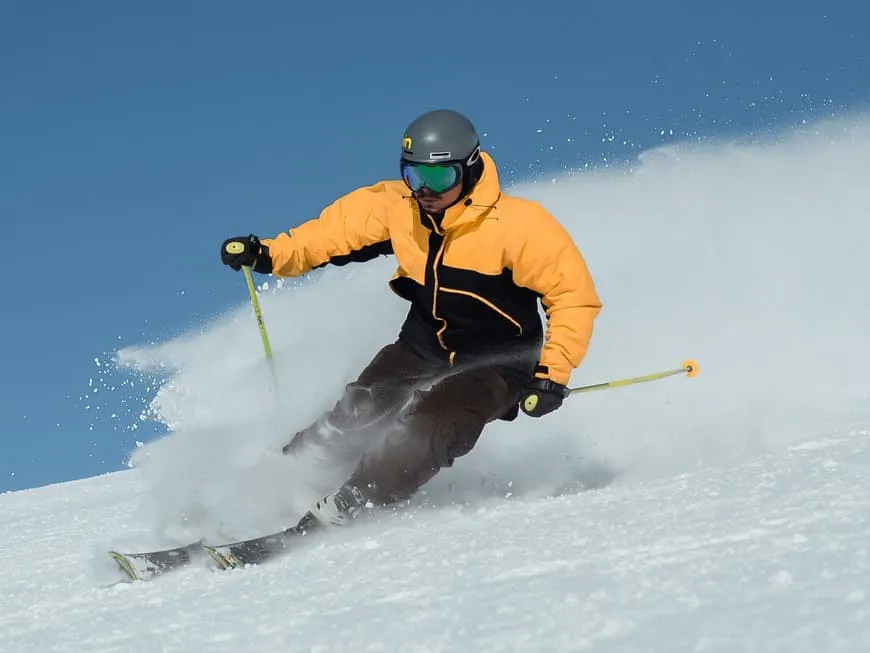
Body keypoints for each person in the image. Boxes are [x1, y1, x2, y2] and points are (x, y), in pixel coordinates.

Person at [220, 109, 602, 531]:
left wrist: (552, 374)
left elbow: (573, 297)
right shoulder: (399, 208)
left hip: (500, 363)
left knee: (430, 422)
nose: (424, 190)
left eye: (438, 179)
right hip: (424, 346)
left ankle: (354, 501)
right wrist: (270, 254)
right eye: (413, 176)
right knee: (358, 409)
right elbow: (329, 235)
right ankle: (277, 485)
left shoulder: (519, 226)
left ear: (470, 169)